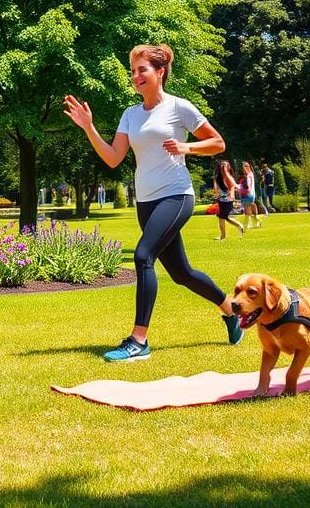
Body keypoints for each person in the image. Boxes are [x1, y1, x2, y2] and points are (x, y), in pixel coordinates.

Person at [64, 43, 243, 361]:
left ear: (160, 72)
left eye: (141, 70)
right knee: (182, 273)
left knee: (144, 255)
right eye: (132, 71)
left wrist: (187, 148)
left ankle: (138, 341)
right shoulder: (130, 114)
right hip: (146, 201)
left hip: (176, 195)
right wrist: (89, 128)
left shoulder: (178, 107)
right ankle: (231, 311)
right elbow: (114, 158)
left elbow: (217, 142)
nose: (135, 76)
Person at [213, 158, 245, 240]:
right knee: (225, 217)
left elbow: (231, 188)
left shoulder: (226, 177)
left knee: (221, 218)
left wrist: (231, 197)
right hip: (224, 200)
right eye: (223, 165)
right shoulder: (222, 177)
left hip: (226, 201)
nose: (224, 166)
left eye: (225, 165)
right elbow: (217, 189)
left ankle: (223, 237)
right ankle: (239, 226)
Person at [239, 160, 261, 228]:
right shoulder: (244, 176)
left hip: (249, 193)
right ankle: (253, 223)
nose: (244, 168)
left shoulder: (250, 175)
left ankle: (250, 223)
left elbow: (249, 185)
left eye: (246, 166)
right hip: (244, 194)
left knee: (248, 206)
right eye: (243, 167)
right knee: (247, 207)